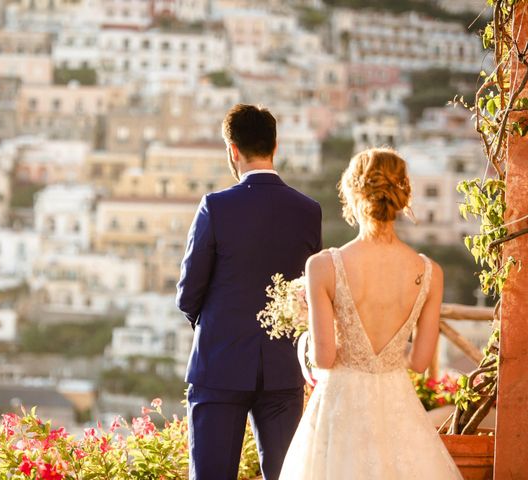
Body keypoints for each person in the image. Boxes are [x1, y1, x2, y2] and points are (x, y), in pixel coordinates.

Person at [279, 148, 462, 479]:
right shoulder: (429, 272)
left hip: (340, 407)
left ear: (351, 191)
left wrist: (304, 341)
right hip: (397, 406)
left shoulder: (323, 266)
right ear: (402, 195)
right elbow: (420, 362)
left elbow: (323, 357)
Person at [176, 104, 322, 480]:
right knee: (285, 474)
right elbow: (312, 285)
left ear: (232, 150)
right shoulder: (308, 211)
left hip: (220, 363)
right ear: (276, 146)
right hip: (283, 367)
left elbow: (188, 293)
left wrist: (216, 325)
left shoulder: (215, 207)